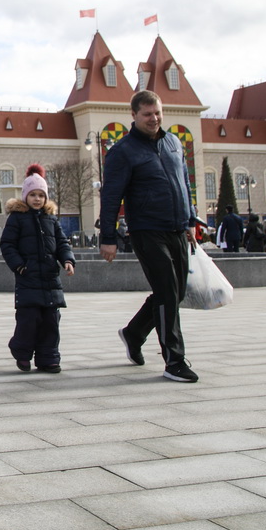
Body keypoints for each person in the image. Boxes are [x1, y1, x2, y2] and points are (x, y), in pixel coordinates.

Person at [100, 90, 199, 383]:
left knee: (176, 292)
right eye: (147, 114)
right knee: (168, 291)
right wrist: (108, 237)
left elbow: (184, 182)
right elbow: (110, 197)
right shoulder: (123, 151)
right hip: (146, 230)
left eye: (157, 113)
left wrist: (191, 220)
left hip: (177, 228)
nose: (154, 119)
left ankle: (133, 333)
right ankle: (174, 361)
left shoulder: (173, 143)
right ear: (133, 116)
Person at [1, 164, 75, 374]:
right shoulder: (17, 218)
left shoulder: (51, 219)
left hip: (51, 279)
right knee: (29, 320)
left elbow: (62, 243)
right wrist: (19, 266)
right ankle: (22, 353)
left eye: (41, 195)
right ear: (25, 196)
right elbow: (7, 245)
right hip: (28, 278)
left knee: (51, 321)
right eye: (32, 194)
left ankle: (48, 357)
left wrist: (67, 260)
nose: (37, 199)